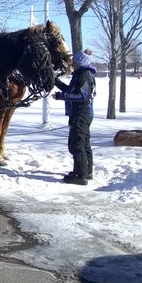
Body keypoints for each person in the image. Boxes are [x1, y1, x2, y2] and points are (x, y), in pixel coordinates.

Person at [52, 49, 97, 185]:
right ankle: (85, 171)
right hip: (81, 114)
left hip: (81, 114)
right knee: (84, 143)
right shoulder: (80, 75)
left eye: (74, 62)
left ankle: (80, 175)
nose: (72, 65)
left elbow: (81, 96)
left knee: (77, 143)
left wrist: (61, 97)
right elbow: (70, 90)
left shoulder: (84, 75)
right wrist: (55, 81)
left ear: (80, 63)